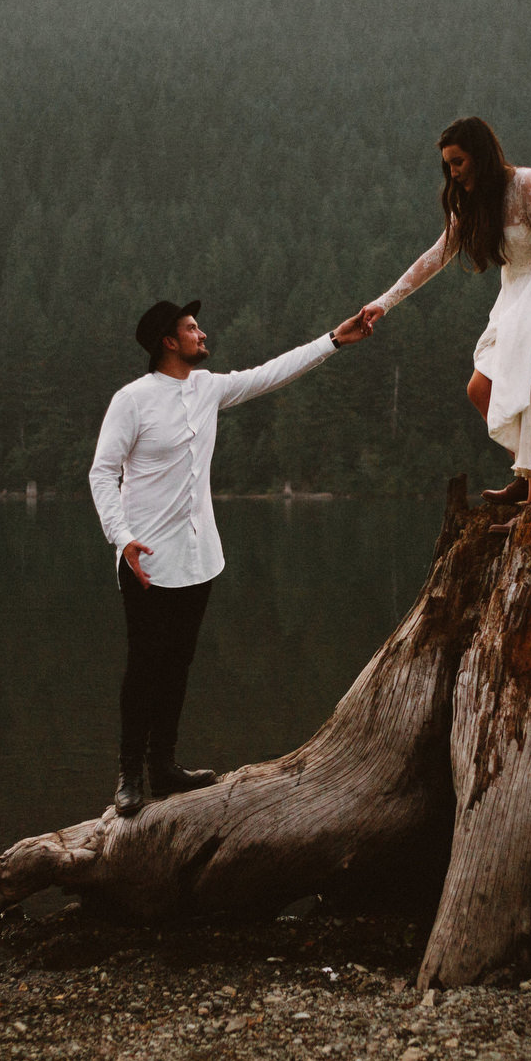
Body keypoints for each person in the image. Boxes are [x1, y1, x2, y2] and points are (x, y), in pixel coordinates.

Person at [89, 299, 373, 816]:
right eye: (192, 328)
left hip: (198, 559)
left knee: (178, 664)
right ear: (168, 342)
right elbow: (102, 473)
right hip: (144, 561)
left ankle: (164, 767)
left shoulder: (207, 387)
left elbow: (271, 373)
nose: (202, 333)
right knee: (144, 667)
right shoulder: (132, 400)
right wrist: (121, 537)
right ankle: (129, 774)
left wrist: (334, 339)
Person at [361, 116, 531, 532]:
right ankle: (525, 475)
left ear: (481, 155)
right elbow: (436, 256)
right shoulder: (470, 202)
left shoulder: (527, 184)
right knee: (480, 388)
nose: (453, 172)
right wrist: (385, 302)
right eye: (448, 165)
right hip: (515, 292)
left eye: (458, 162)